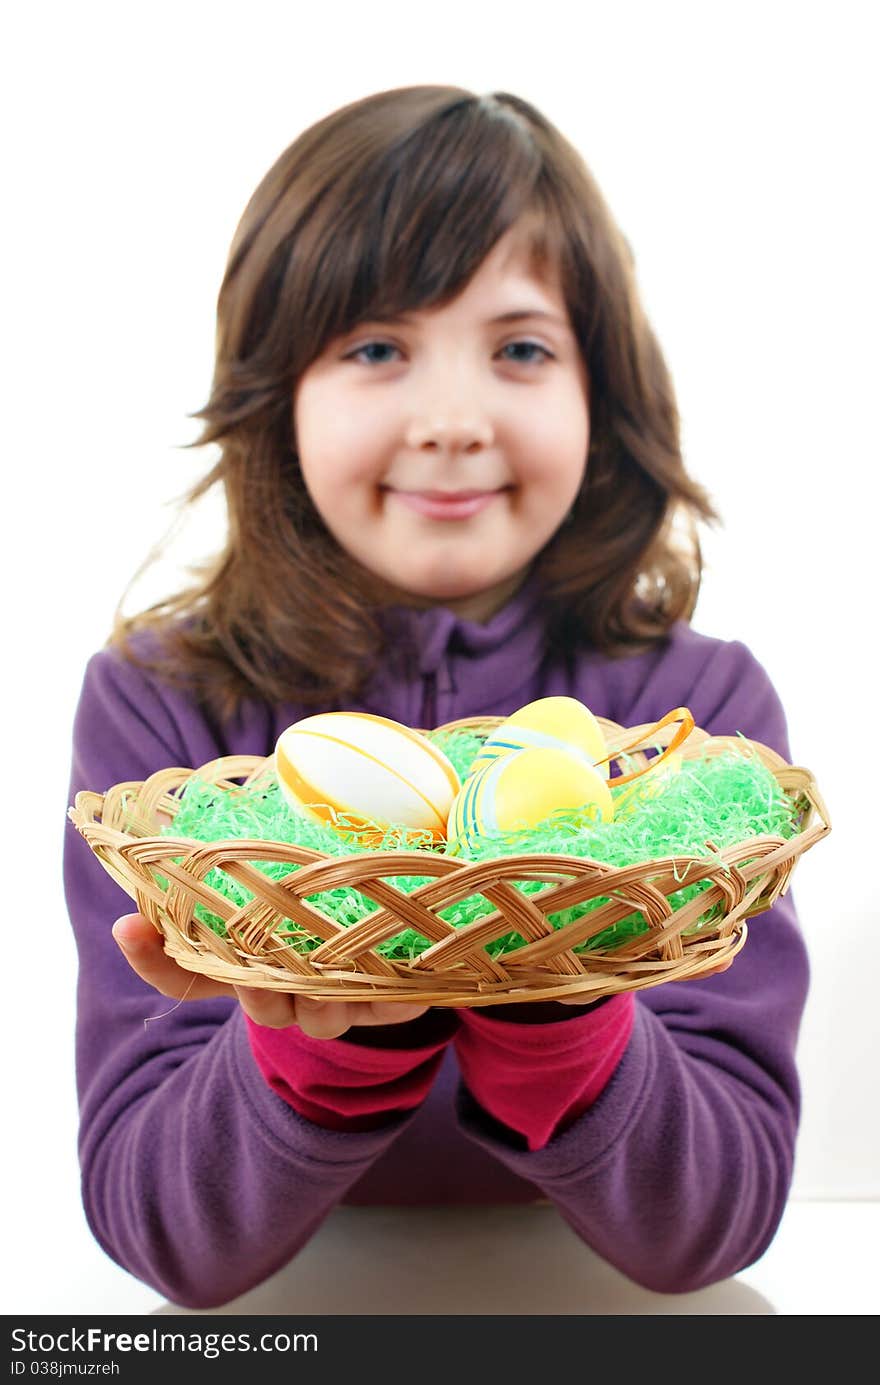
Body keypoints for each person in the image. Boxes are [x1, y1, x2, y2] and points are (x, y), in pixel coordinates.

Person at [63, 85, 809, 1311]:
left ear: (600, 392)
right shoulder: (166, 715)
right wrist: (316, 1024)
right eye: (373, 347)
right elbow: (162, 1235)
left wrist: (550, 988)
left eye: (520, 347)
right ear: (275, 393)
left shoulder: (695, 716)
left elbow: (713, 1228)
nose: (454, 422)